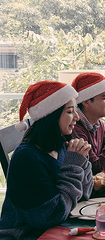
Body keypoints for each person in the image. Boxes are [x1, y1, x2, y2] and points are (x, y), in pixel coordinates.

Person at [0, 81, 93, 239]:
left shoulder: (60, 144)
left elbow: (85, 194)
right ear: (51, 116)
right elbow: (50, 214)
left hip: (56, 225)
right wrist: (74, 165)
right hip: (26, 234)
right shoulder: (27, 158)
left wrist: (82, 161)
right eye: (70, 111)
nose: (77, 117)